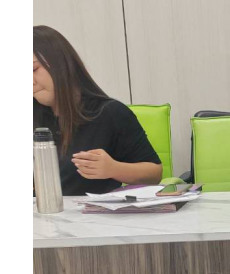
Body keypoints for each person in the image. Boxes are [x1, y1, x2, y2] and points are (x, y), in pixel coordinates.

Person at [33, 25, 162, 195]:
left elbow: (154, 174)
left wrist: (114, 169)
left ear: (61, 64)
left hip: (90, 210)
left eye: (34, 69)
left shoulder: (109, 113)